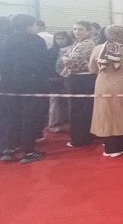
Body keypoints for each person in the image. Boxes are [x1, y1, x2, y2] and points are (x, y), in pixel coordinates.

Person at [0, 14, 49, 163]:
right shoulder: (36, 40)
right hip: (31, 84)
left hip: (9, 85)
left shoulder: (8, 39)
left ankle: (8, 149)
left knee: (10, 116)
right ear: (28, 25)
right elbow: (42, 63)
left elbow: (3, 63)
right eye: (34, 24)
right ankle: (28, 151)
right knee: (30, 117)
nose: (36, 27)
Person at [88, 26, 123, 157]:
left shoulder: (98, 48)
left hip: (102, 84)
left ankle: (109, 144)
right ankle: (122, 144)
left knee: (105, 113)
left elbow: (92, 68)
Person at [62, 21, 98, 148]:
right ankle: (84, 135)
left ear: (88, 31)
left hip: (83, 79)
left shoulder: (86, 44)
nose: (77, 32)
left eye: (81, 29)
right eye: (75, 29)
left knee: (80, 109)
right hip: (79, 78)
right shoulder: (77, 43)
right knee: (81, 108)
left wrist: (64, 58)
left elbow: (71, 61)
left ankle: (81, 138)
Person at [48, 30, 73, 133]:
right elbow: (48, 66)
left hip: (69, 79)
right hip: (55, 80)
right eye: (57, 39)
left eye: (62, 38)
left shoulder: (72, 49)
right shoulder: (51, 51)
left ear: (67, 39)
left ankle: (70, 122)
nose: (59, 41)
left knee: (70, 102)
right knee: (55, 103)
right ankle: (54, 124)